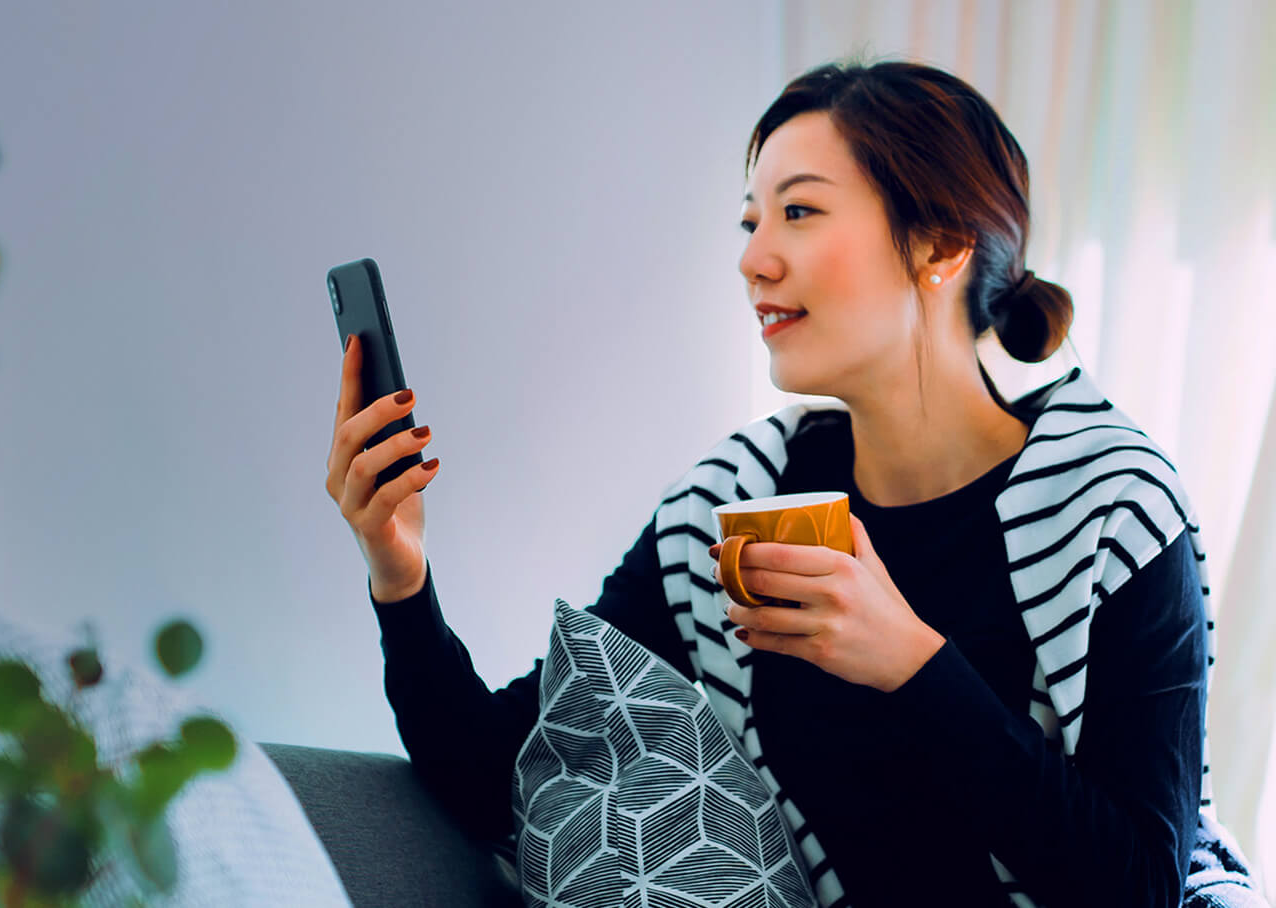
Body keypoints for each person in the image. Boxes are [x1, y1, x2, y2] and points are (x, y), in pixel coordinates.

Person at [326, 59, 1257, 907]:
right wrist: (399, 574)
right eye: (750, 221)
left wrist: (911, 664)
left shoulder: (1110, 504)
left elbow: (1141, 885)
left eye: (799, 212)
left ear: (940, 245)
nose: (752, 258)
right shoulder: (733, 507)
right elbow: (497, 774)